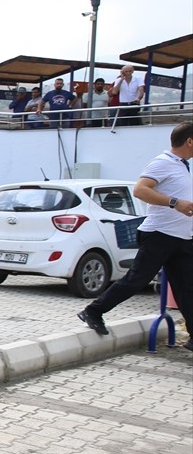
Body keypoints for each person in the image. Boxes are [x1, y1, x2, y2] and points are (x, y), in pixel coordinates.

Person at [78, 122, 193, 349]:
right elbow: (140, 190)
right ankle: (93, 311)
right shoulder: (163, 162)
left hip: (181, 237)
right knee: (136, 280)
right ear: (190, 141)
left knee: (187, 287)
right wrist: (175, 203)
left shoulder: (183, 166)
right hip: (159, 235)